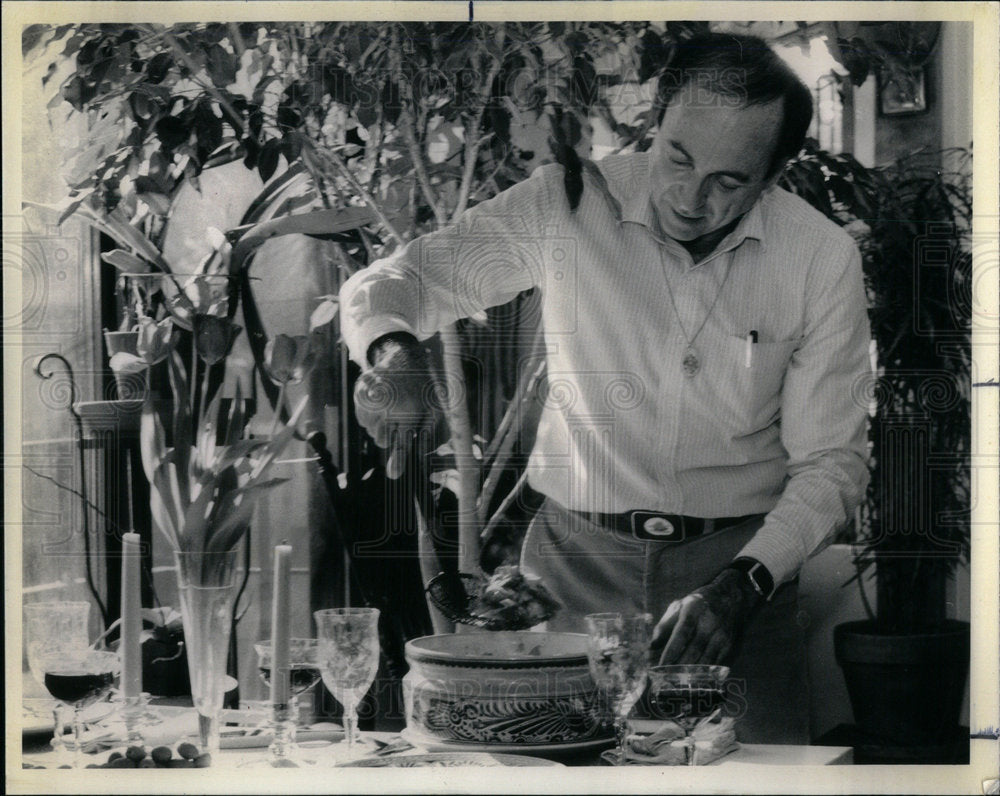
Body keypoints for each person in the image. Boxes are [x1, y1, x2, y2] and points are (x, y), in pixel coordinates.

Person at [339, 31, 871, 744]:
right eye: (677, 155)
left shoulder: (820, 260)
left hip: (735, 588)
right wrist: (394, 351)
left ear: (772, 175)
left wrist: (745, 583)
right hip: (571, 575)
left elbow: (831, 464)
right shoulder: (565, 205)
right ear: (657, 117)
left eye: (729, 181)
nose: (690, 195)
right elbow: (400, 279)